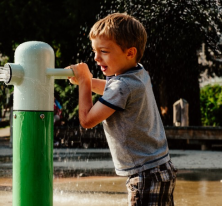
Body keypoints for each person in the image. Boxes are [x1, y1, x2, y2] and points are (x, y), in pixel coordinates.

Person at [67, 13, 177, 205]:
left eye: (104, 51)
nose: (96, 57)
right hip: (159, 167)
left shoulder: (122, 86)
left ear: (129, 53)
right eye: (95, 51)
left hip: (145, 175)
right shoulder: (139, 73)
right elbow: (113, 90)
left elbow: (87, 120)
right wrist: (88, 82)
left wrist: (85, 81)